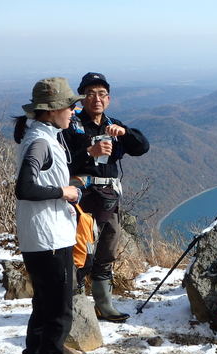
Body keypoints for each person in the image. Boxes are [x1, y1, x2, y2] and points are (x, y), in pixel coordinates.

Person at [62, 72, 149, 323]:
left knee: (106, 250)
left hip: (108, 199)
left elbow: (142, 147)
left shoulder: (113, 124)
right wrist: (90, 152)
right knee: (81, 253)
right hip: (81, 199)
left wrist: (125, 133)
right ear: (81, 98)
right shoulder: (71, 125)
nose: (96, 99)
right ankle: (76, 307)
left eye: (101, 94)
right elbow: (63, 161)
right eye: (90, 94)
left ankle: (104, 305)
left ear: (108, 99)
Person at [14, 77, 83, 354]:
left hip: (41, 237)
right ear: (52, 110)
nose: (73, 111)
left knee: (44, 311)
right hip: (49, 240)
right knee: (58, 316)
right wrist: (63, 192)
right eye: (70, 106)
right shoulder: (40, 142)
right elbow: (25, 188)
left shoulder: (40, 137)